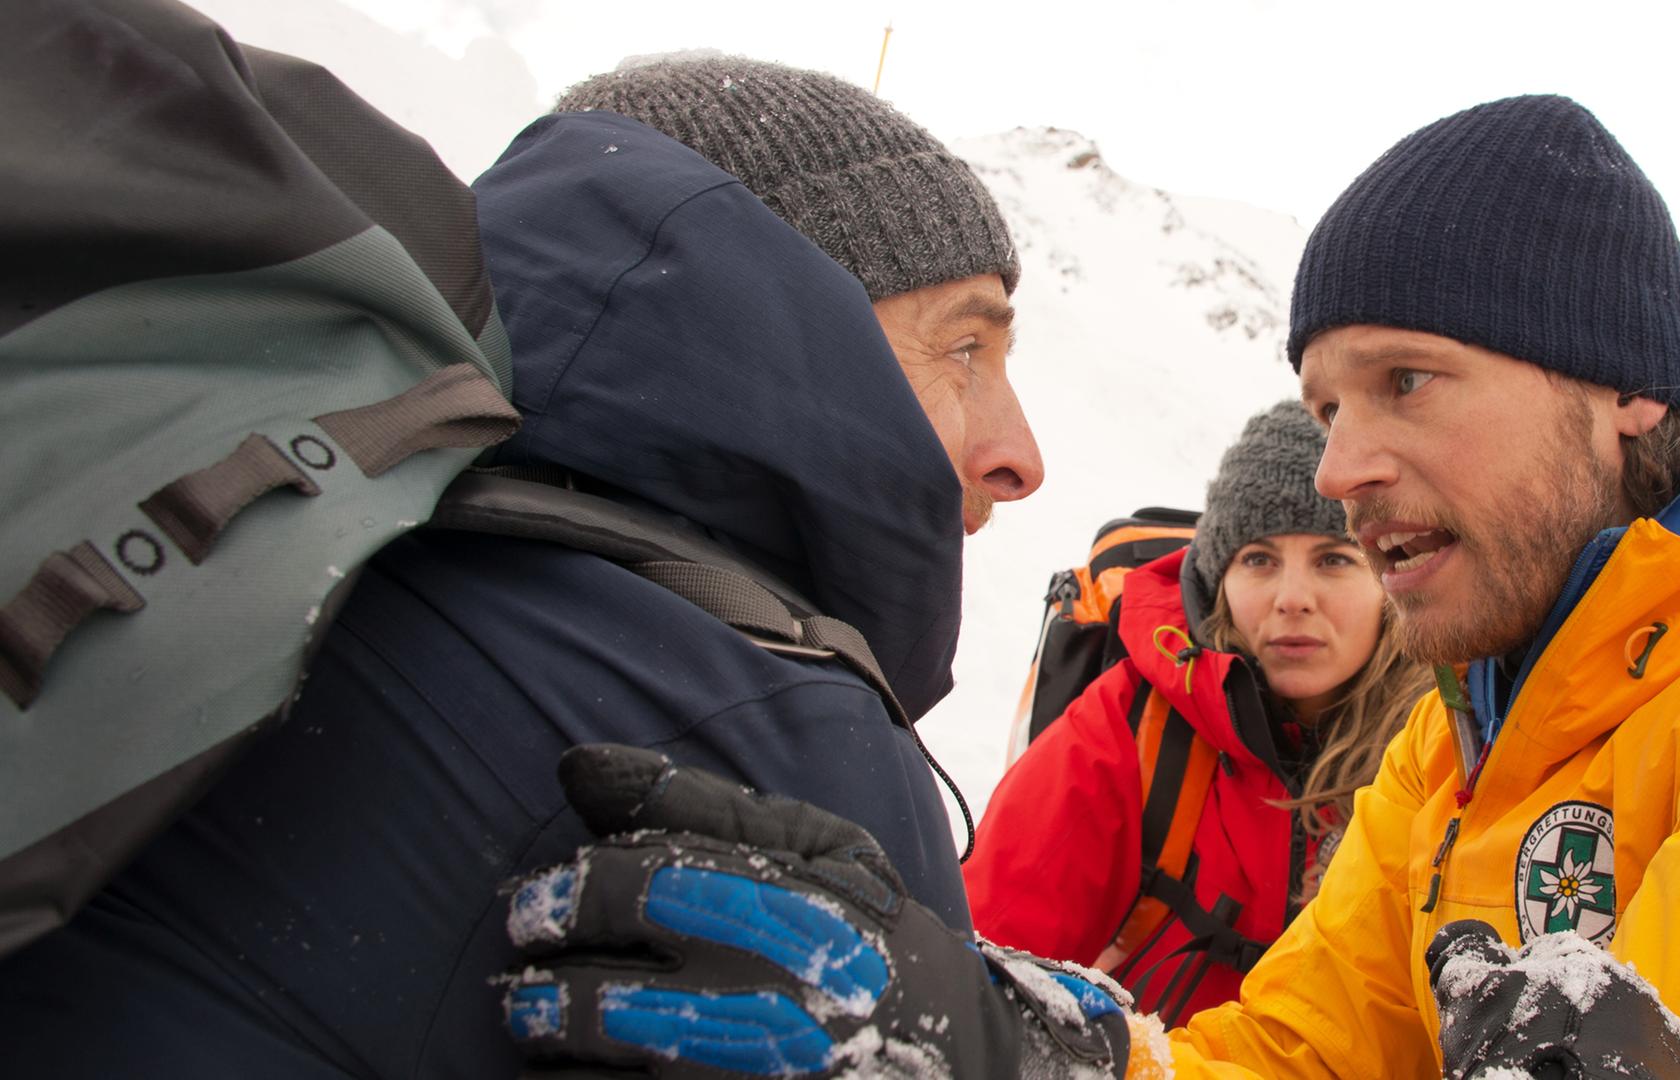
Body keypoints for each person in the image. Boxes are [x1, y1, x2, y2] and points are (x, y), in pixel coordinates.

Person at [504, 92, 1680, 1079]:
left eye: (1406, 383)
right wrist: (1010, 1045)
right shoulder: (1469, 731)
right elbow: (1299, 1055)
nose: (1345, 468)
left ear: (1620, 389)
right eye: (1326, 405)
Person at [0, 52, 1043, 1077]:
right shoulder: (779, 728)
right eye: (964, 350)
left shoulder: (309, 544)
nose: (1021, 456)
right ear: (775, 323)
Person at [963, 400, 1429, 1025]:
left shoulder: (1453, 739)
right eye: (1258, 560)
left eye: (1334, 559)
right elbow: (981, 975)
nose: (1292, 599)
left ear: (1389, 579)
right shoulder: (1134, 725)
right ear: (1218, 579)